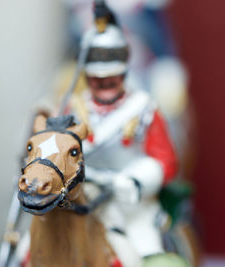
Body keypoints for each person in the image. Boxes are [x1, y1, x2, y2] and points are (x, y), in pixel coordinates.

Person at [65, 1, 178, 265]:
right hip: (84, 201)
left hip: (132, 206)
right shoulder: (74, 109)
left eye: (111, 79)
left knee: (146, 254)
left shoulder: (143, 110)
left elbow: (166, 160)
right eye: (98, 80)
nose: (104, 85)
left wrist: (137, 180)